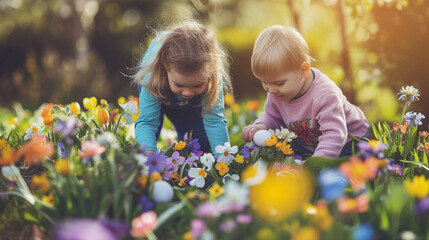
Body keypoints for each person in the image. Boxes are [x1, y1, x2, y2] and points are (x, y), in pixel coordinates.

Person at [241, 25, 370, 159]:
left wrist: (315, 163)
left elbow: (334, 134)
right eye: (264, 82)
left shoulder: (325, 95)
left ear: (303, 70)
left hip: (348, 141)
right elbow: (273, 116)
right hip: (308, 142)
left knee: (339, 170)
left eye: (278, 83)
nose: (270, 89)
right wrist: (261, 125)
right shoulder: (277, 91)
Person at [133, 21, 233, 155]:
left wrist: (224, 161)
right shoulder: (152, 77)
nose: (187, 92)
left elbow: (214, 121)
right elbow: (147, 122)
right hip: (160, 87)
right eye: (179, 84)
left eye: (197, 85)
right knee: (148, 138)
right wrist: (148, 157)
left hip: (187, 98)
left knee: (198, 141)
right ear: (165, 68)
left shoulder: (211, 76)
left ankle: (186, 163)